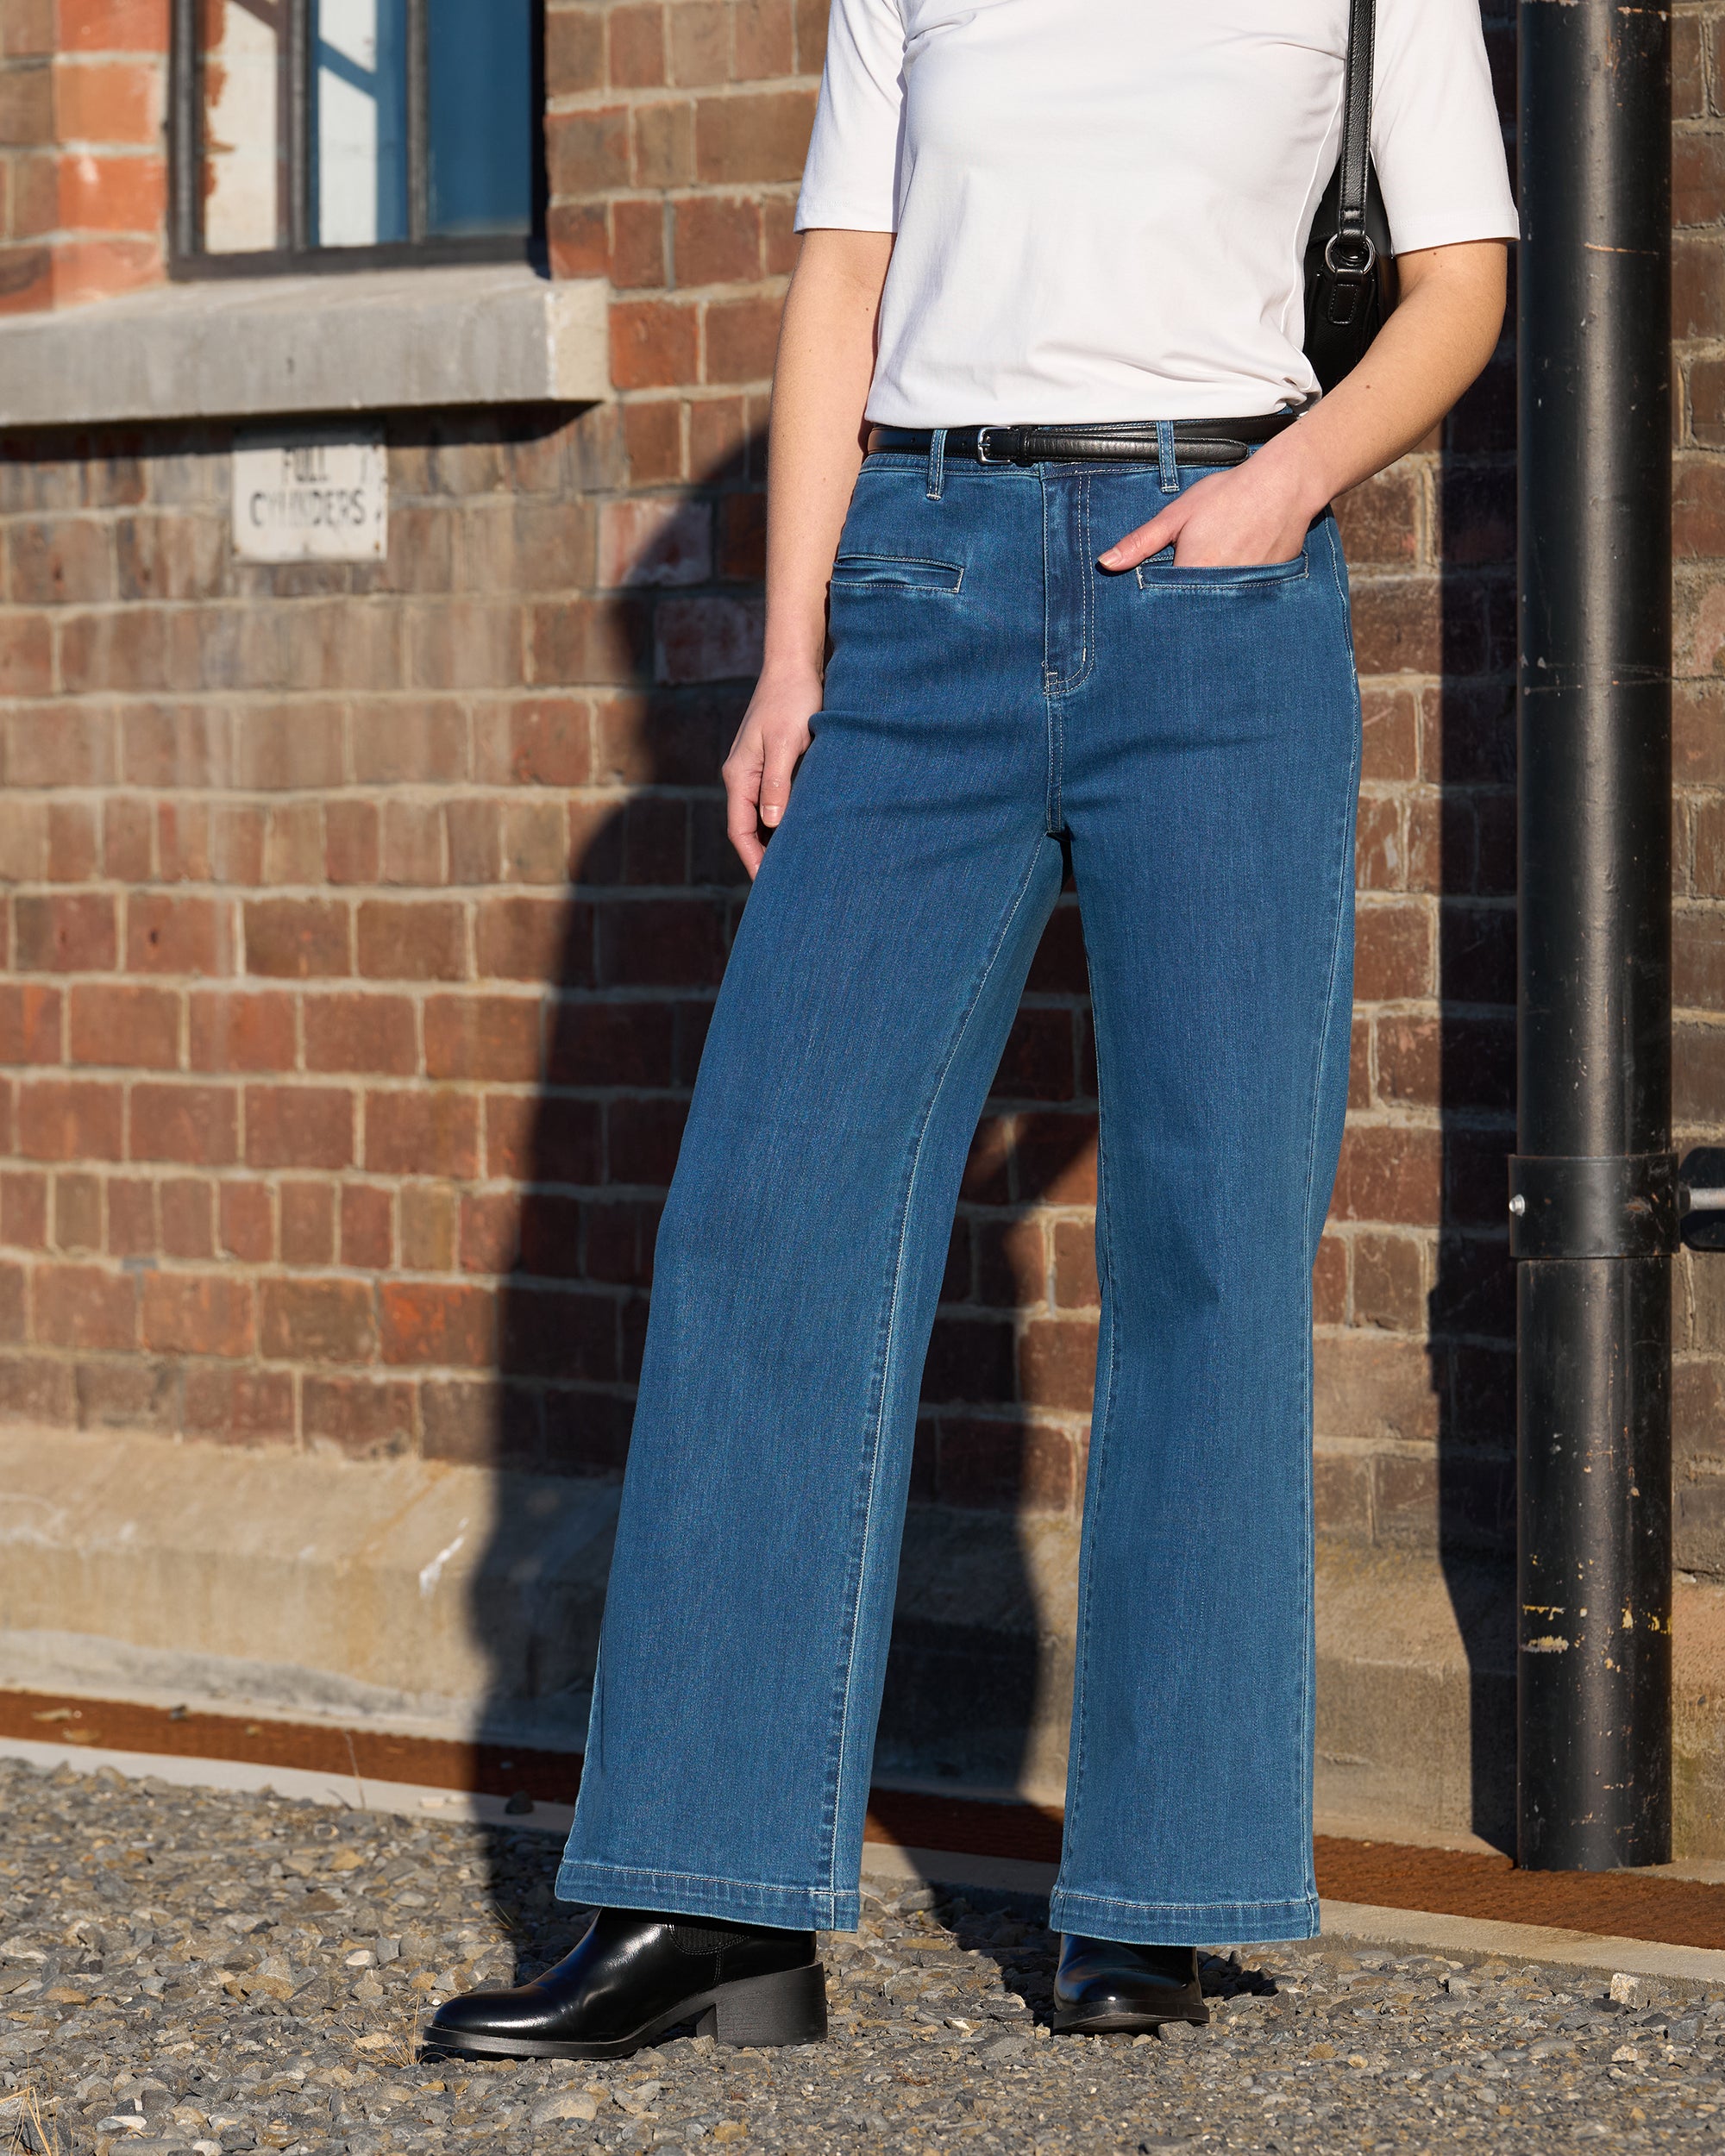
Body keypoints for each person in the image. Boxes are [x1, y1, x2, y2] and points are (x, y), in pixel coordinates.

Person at [428, 0, 1516, 2062]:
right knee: (770, 1211)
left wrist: (1286, 483)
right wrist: (791, 647)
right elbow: (842, 281)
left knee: (1212, 1235)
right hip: (922, 581)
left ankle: (1164, 1890)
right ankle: (703, 1892)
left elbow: (1457, 286)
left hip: (1218, 594)